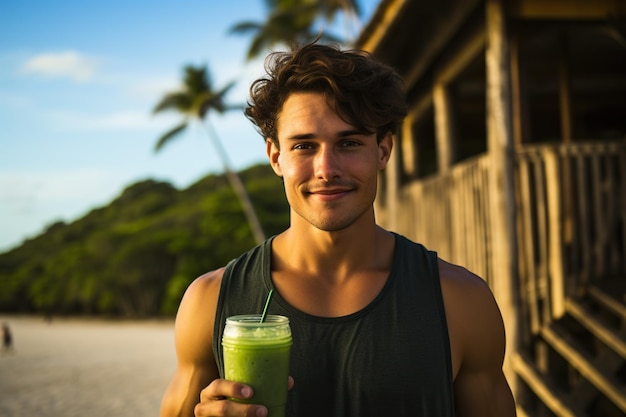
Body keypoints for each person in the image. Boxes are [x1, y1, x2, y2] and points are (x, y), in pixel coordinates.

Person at [160, 42, 517, 417]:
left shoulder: (461, 301)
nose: (326, 168)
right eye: (304, 146)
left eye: (348, 142)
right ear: (276, 156)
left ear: (383, 150)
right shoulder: (210, 301)